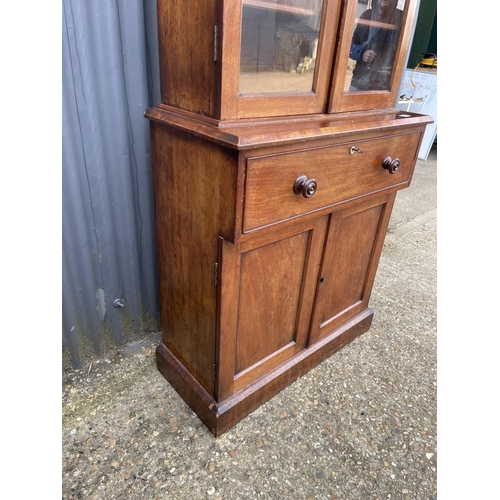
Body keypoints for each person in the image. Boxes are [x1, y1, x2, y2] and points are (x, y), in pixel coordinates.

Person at [348, 0, 403, 91]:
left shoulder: (401, 18)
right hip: (358, 82)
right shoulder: (366, 15)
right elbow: (351, 45)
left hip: (384, 87)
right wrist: (361, 53)